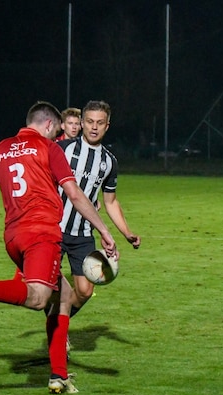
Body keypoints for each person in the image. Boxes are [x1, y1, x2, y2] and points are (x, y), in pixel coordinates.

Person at [0, 101, 117, 394]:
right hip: (42, 234)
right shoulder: (49, 148)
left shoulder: (1, 148)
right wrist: (104, 230)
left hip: (13, 239)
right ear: (51, 126)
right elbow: (74, 194)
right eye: (56, 132)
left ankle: (58, 376)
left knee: (62, 297)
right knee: (40, 297)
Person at [51, 100, 140, 345]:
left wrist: (126, 233)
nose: (93, 127)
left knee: (85, 291)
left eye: (100, 123)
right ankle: (57, 332)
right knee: (47, 289)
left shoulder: (109, 161)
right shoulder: (62, 149)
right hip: (54, 229)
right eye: (89, 122)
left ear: (107, 126)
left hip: (83, 232)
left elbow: (110, 201)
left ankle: (59, 322)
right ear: (81, 123)